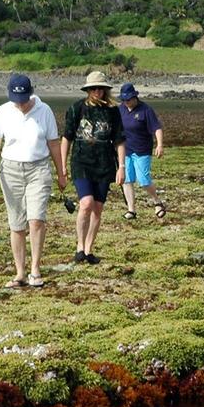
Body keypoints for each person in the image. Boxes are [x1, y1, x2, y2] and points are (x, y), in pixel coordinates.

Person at [0, 73, 67, 287]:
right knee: (17, 223)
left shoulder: (44, 110)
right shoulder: (3, 111)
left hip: (38, 168)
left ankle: (35, 269)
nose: (20, 104)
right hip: (10, 170)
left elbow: (54, 143)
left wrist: (61, 172)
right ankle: (20, 272)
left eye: (23, 99)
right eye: (16, 99)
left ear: (30, 94)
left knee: (36, 219)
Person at [61, 70, 125, 264]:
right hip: (81, 162)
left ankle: (89, 250)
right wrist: (62, 165)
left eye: (101, 88)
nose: (98, 91)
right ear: (88, 90)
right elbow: (67, 138)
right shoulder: (76, 108)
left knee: (98, 208)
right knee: (86, 203)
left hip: (105, 163)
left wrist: (121, 166)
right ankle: (80, 246)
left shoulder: (113, 111)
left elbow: (120, 140)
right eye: (94, 88)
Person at [117, 83, 165, 219]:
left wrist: (160, 144)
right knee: (127, 180)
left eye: (129, 99)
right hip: (126, 150)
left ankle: (157, 202)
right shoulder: (121, 109)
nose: (126, 102)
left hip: (142, 150)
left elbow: (157, 128)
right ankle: (131, 210)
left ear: (134, 97)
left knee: (143, 180)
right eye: (124, 100)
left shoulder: (145, 110)